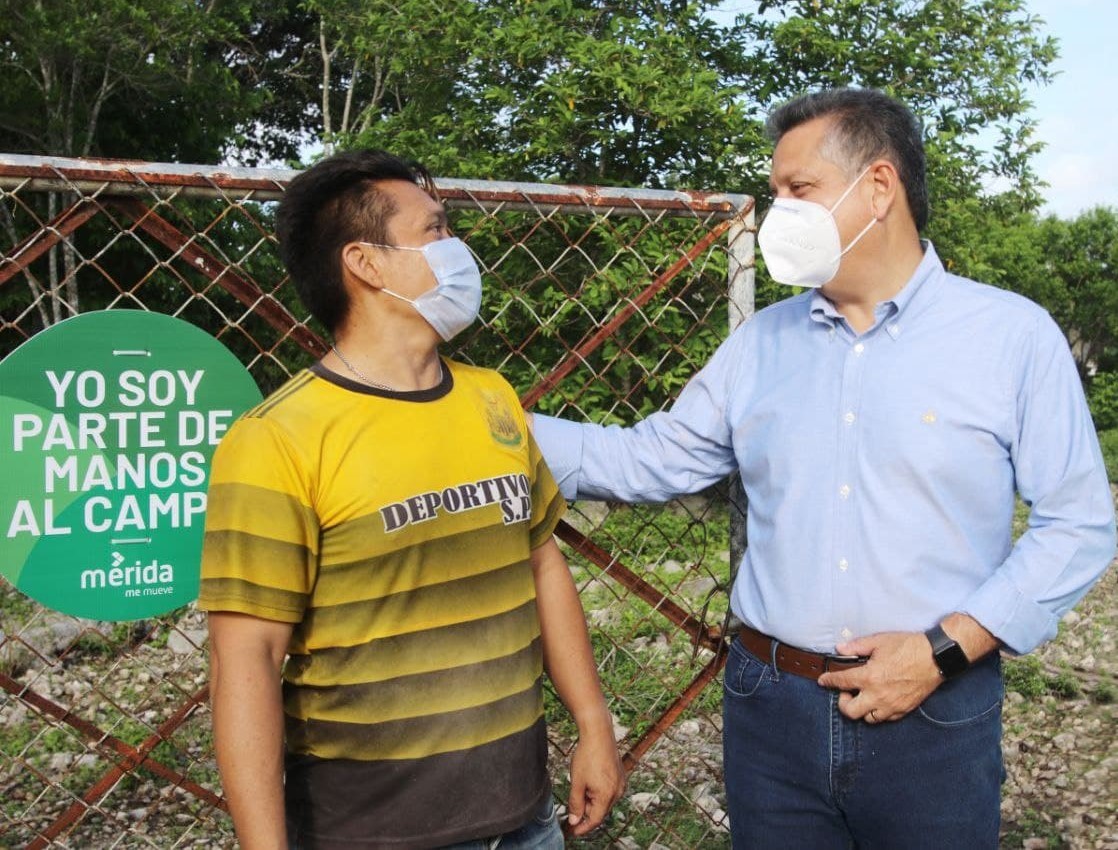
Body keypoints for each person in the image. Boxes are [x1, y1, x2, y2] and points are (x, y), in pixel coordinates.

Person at [532, 88, 1116, 848]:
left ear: (878, 188)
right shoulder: (762, 341)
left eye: (797, 190)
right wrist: (488, 425)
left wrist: (945, 649)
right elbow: (656, 459)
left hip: (935, 710)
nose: (779, 211)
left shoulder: (1011, 337)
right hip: (769, 705)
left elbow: (1077, 523)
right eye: (775, 192)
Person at [199, 149, 625, 850]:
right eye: (435, 230)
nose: (458, 249)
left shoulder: (492, 397)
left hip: (524, 815)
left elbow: (542, 563)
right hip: (370, 831)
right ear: (365, 264)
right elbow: (244, 660)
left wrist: (593, 726)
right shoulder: (277, 439)